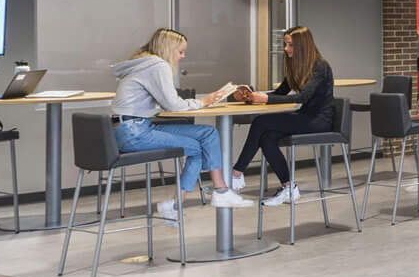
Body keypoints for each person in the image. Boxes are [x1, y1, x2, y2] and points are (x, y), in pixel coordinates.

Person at [110, 29, 249, 220]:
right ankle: (211, 195)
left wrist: (199, 102)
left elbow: (165, 102)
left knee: (207, 133)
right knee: (196, 147)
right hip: (134, 131)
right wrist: (203, 102)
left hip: (131, 127)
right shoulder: (158, 65)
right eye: (180, 52)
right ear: (169, 49)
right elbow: (172, 104)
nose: (182, 56)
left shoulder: (145, 64)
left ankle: (216, 192)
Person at [232, 24, 336, 205]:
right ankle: (289, 187)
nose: (286, 49)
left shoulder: (320, 66)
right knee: (267, 138)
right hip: (305, 117)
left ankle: (236, 173)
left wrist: (264, 99)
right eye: (286, 44)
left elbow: (303, 97)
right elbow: (280, 93)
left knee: (260, 122)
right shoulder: (296, 65)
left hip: (319, 121)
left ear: (302, 46)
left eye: (290, 45)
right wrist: (252, 97)